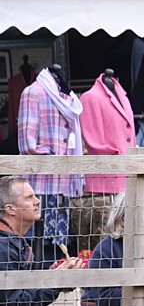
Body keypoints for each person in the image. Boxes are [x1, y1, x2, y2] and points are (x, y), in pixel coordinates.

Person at [17, 65, 85, 268]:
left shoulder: (69, 99)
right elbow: (27, 144)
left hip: (63, 185)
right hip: (39, 184)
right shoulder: (33, 93)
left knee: (57, 248)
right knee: (34, 244)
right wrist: (54, 157)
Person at [0, 175, 84, 306]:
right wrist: (56, 281)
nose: (38, 201)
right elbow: (13, 305)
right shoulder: (3, 247)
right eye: (29, 198)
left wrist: (49, 276)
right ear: (11, 209)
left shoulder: (13, 242)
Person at [74, 71, 136, 253]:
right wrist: (121, 158)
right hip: (102, 184)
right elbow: (92, 141)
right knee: (101, 247)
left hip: (125, 182)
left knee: (125, 244)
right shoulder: (90, 97)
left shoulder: (123, 97)